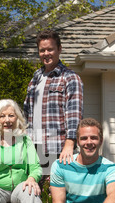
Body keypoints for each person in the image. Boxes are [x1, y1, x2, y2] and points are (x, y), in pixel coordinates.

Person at [23, 29, 84, 168]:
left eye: (50, 49)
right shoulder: (35, 79)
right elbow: (26, 115)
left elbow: (74, 114)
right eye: (42, 50)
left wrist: (70, 143)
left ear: (59, 49)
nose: (46, 54)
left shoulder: (69, 78)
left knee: (56, 189)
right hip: (33, 148)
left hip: (58, 149)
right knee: (34, 188)